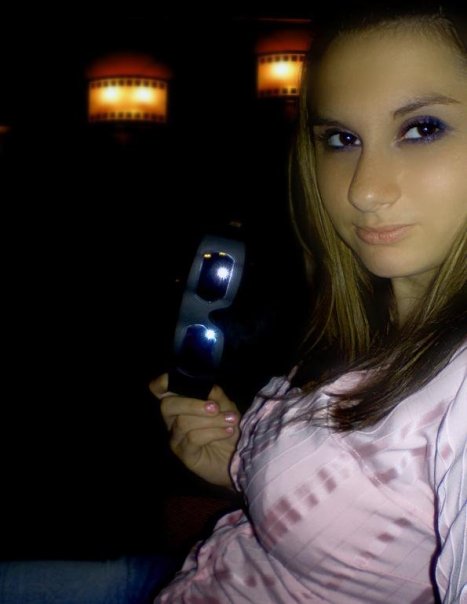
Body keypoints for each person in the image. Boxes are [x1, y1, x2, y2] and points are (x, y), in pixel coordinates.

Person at [150, 3, 467, 602]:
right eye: (341, 139)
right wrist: (241, 463)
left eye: (423, 129)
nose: (364, 190)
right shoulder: (372, 319)